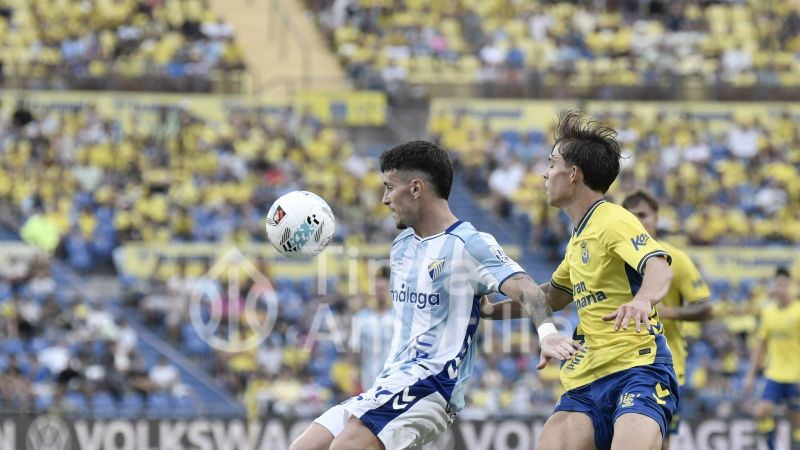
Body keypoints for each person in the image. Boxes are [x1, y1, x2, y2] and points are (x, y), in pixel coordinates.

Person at [290, 140, 580, 450]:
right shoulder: (401, 246)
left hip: (431, 385)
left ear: (416, 188)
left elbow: (527, 289)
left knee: (345, 446)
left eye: (389, 187)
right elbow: (481, 307)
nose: (385, 198)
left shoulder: (469, 244)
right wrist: (485, 308)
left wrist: (547, 333)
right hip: (389, 382)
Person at [537, 111, 677, 450]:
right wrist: (489, 307)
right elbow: (552, 298)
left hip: (638, 369)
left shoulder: (613, 218)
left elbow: (658, 267)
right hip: (586, 380)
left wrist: (643, 300)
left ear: (573, 174)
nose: (545, 172)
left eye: (551, 163)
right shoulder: (578, 240)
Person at [622, 189, 713, 449]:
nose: (638, 220)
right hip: (621, 361)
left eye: (643, 215)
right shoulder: (613, 258)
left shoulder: (675, 258)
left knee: (659, 441)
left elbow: (706, 308)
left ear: (656, 218)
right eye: (631, 215)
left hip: (666, 364)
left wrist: (666, 313)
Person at [743, 267, 800, 450]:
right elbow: (761, 345)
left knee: (798, 422)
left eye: (784, 285)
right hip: (775, 372)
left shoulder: (798, 311)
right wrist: (750, 375)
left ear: (791, 286)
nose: (781, 289)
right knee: (761, 412)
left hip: (797, 374)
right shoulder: (768, 312)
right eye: (778, 285)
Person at [350, 265, 395, 390]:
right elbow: (355, 347)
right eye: (377, 289)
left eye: (383, 289)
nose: (380, 292)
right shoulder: (361, 317)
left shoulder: (396, 317)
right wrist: (354, 370)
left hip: (392, 377)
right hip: (369, 377)